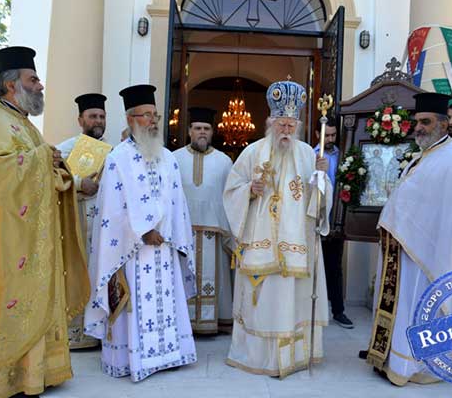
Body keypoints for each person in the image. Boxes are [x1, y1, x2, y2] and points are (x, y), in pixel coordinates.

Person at [0, 46, 90, 397]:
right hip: (4, 242)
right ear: (11, 85)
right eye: (34, 79)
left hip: (32, 241)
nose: (41, 85)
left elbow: (39, 168)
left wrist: (55, 166)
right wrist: (42, 157)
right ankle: (2, 379)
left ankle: (36, 373)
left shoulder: (25, 125)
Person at [365, 92, 452, 386]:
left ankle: (417, 365)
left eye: (426, 122)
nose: (419, 128)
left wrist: (425, 237)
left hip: (431, 252)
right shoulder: (424, 156)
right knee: (403, 306)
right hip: (406, 248)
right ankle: (394, 358)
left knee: (419, 306)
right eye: (417, 122)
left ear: (443, 124)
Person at [83, 84, 197, 382]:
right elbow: (111, 207)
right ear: (131, 119)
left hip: (165, 248)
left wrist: (168, 231)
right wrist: (143, 231)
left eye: (155, 115)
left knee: (165, 301)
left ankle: (167, 355)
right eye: (147, 115)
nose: (153, 120)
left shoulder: (168, 157)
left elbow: (177, 202)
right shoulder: (118, 158)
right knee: (135, 302)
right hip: (132, 250)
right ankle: (132, 358)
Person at [223, 79, 332, 378]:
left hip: (298, 242)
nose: (286, 130)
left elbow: (318, 200)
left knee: (293, 300)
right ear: (270, 123)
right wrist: (249, 189)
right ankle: (260, 358)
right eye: (281, 124)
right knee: (265, 301)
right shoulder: (252, 152)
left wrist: (322, 178)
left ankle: (294, 357)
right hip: (260, 242)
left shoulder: (309, 154)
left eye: (290, 125)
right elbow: (231, 189)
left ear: (297, 126)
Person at [174, 107, 234, 334]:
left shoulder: (224, 161)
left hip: (215, 232)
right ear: (189, 131)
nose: (202, 132)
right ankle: (184, 323)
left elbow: (232, 195)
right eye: (197, 128)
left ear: (212, 132)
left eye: (206, 129)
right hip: (183, 232)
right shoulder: (174, 158)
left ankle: (214, 321)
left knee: (216, 278)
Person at [57, 93, 108, 349]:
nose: (98, 120)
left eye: (102, 116)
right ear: (80, 120)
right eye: (92, 116)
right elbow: (50, 178)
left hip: (103, 229)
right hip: (74, 226)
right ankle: (77, 334)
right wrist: (78, 183)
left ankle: (103, 332)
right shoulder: (64, 149)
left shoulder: (115, 152)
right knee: (77, 274)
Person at [312, 117, 353, 329]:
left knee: (334, 266)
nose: (330, 139)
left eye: (333, 135)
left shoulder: (344, 155)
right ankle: (311, 312)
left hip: (336, 220)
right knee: (312, 267)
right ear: (317, 135)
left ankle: (338, 311)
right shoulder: (309, 155)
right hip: (314, 220)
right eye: (326, 135)